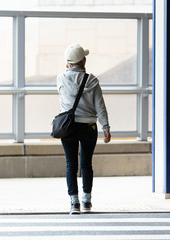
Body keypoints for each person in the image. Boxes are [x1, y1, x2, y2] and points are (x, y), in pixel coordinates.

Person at [57, 43, 111, 214]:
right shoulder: (92, 80)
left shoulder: (61, 79)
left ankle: (74, 203)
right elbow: (100, 106)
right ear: (83, 60)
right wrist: (106, 127)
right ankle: (86, 202)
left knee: (70, 165)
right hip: (89, 126)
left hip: (69, 126)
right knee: (86, 164)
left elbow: (63, 103)